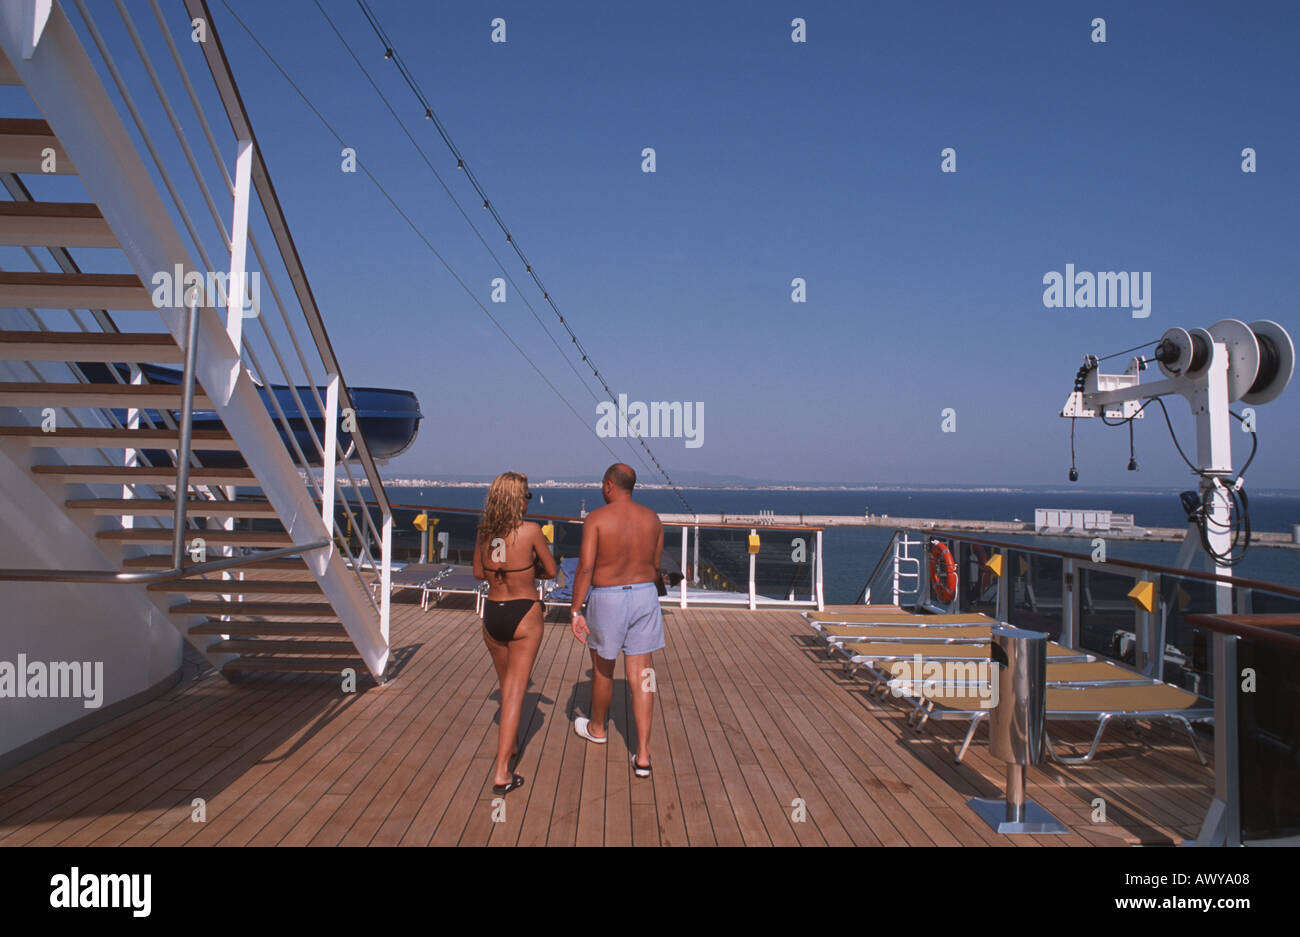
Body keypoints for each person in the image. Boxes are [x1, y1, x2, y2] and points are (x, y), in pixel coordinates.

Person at [569, 463, 665, 778]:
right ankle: (643, 755)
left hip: (608, 597)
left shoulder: (596, 519)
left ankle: (598, 728)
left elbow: (585, 567)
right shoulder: (652, 519)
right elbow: (655, 565)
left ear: (609, 485)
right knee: (642, 675)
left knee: (603, 669)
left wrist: (575, 609)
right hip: (644, 595)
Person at [472, 471, 557, 795]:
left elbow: (480, 572)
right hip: (523, 614)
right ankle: (502, 772)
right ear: (516, 498)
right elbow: (551, 570)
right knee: (513, 695)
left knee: (506, 688)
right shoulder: (531, 531)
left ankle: (512, 743)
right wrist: (529, 567)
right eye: (527, 495)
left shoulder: (485, 532)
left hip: (493, 614)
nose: (528, 500)